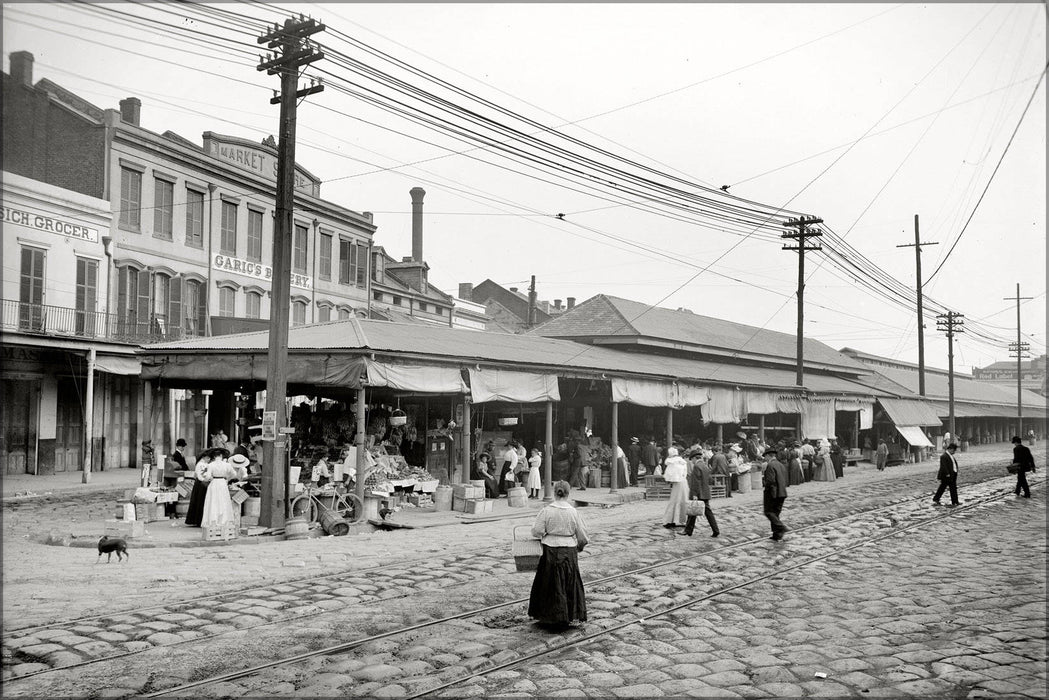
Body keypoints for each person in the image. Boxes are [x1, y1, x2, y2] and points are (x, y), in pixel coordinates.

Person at [527, 480, 589, 629]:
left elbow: (537, 531)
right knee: (569, 582)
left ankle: (548, 615)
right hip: (569, 550)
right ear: (568, 493)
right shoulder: (573, 512)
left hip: (551, 550)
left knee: (549, 582)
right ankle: (568, 614)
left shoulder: (547, 510)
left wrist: (547, 533)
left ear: (555, 493)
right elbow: (582, 536)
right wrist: (579, 547)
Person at [184, 447, 227, 527]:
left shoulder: (203, 464)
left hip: (202, 483)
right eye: (207, 457)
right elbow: (202, 476)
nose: (209, 459)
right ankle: (199, 520)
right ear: (203, 457)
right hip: (202, 484)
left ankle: (198, 519)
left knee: (200, 502)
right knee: (201, 502)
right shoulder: (201, 465)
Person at [682, 450, 719, 538]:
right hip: (705, 492)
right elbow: (709, 479)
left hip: (699, 493)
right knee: (696, 512)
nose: (692, 462)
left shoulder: (697, 466)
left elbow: (696, 482)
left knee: (694, 510)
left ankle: (715, 530)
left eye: (692, 460)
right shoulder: (705, 466)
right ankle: (688, 530)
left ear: (695, 458)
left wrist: (694, 494)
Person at [763, 447, 789, 541]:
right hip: (782, 492)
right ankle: (777, 535)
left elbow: (770, 481)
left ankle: (781, 527)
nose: (765, 459)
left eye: (765, 456)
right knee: (776, 514)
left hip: (773, 493)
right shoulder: (781, 465)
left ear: (768, 456)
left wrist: (766, 487)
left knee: (769, 512)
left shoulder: (770, 465)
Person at [661, 447, 689, 529]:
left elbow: (668, 476)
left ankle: (671, 520)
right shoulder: (682, 462)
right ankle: (682, 519)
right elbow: (685, 473)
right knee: (683, 500)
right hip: (684, 482)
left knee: (674, 500)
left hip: (677, 484)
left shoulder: (672, 463)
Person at [933, 442, 960, 507]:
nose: (954, 452)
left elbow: (953, 464)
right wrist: (947, 473)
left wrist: (956, 471)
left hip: (952, 474)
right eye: (953, 450)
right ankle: (936, 498)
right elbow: (943, 466)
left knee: (952, 488)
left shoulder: (951, 456)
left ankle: (955, 501)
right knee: (943, 487)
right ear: (950, 449)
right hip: (946, 475)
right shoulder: (944, 456)